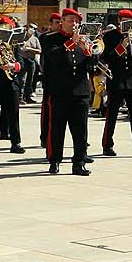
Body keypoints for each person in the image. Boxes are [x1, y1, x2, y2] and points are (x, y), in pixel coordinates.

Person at [40, 9, 93, 176]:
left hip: (80, 92)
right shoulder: (50, 39)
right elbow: (54, 58)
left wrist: (86, 50)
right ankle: (54, 160)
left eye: (76, 21)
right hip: (60, 91)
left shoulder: (83, 41)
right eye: (71, 20)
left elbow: (93, 66)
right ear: (62, 21)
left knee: (80, 131)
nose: (74, 24)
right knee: (57, 129)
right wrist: (72, 43)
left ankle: (79, 162)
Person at [98, 10, 132, 158]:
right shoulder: (110, 36)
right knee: (112, 115)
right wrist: (122, 45)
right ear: (119, 20)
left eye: (130, 22)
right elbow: (107, 58)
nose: (127, 24)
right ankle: (107, 145)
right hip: (116, 80)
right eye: (125, 21)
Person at [0, 16, 24, 153]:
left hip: (11, 83)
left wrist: (13, 65)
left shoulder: (14, 45)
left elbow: (21, 63)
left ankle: (16, 143)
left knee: (13, 115)